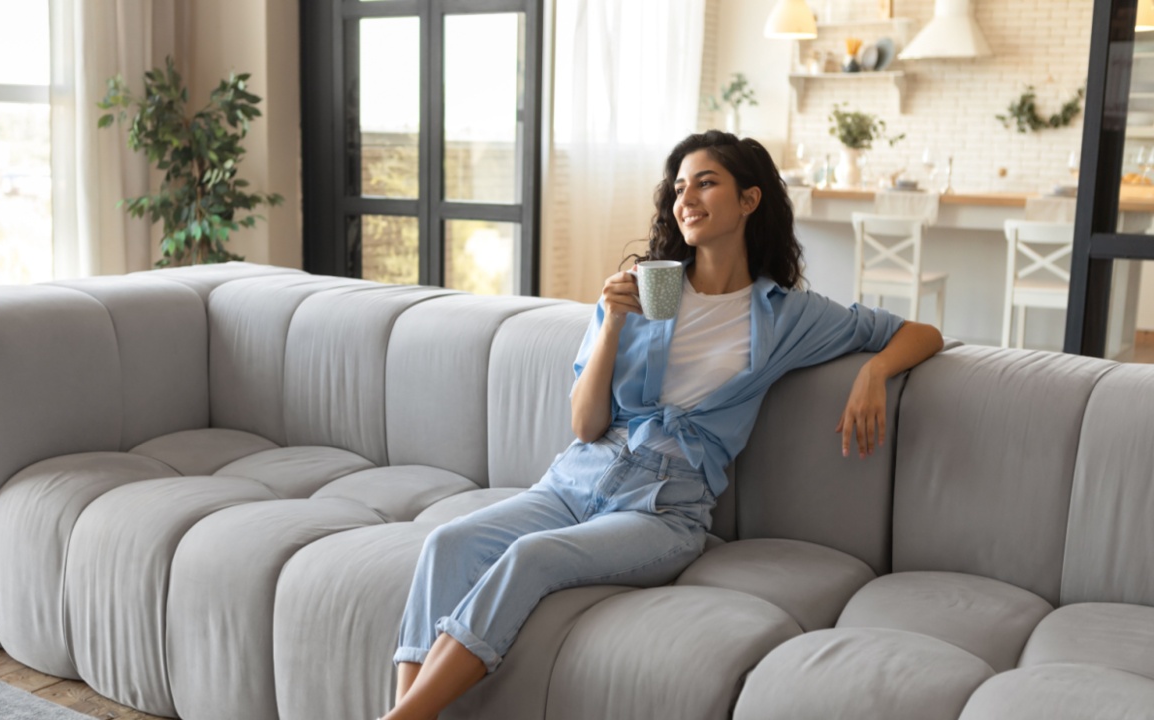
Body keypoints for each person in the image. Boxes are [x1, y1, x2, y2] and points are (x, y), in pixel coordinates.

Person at [382, 130, 944, 720]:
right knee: (449, 543)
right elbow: (585, 422)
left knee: (532, 558)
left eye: (706, 182)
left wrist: (874, 373)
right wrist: (611, 328)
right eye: (679, 187)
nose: (687, 198)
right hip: (575, 482)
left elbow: (920, 332)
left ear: (749, 200)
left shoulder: (787, 315)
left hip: (661, 510)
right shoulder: (649, 289)